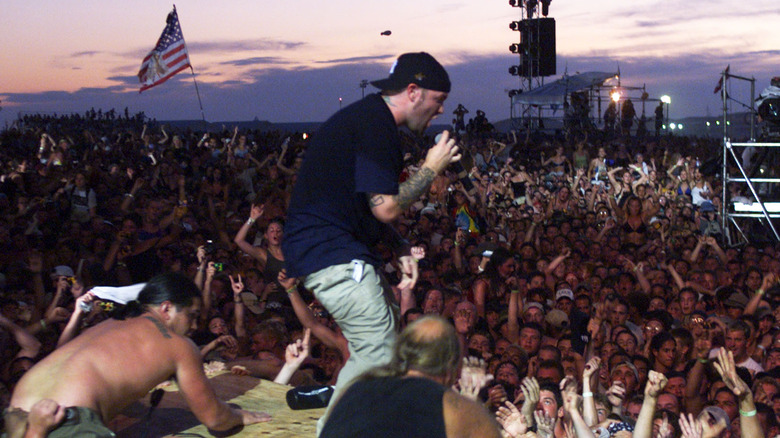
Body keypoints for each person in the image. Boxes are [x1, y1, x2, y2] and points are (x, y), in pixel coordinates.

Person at [282, 52, 461, 428]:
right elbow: (386, 208)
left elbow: (363, 205)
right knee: (378, 351)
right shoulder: (376, 125)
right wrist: (431, 168)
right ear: (413, 92)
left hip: (333, 250)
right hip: (331, 254)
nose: (440, 111)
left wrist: (397, 245)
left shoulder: (366, 120)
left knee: (387, 345)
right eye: (437, 100)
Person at [5, 273, 270, 437]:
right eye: (191, 316)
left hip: (15, 415)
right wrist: (239, 414)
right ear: (166, 308)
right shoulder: (177, 344)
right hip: (62, 422)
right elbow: (215, 418)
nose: (193, 326)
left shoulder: (107, 325)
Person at [320, 316, 501, 438]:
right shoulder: (456, 409)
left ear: (399, 354)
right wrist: (472, 402)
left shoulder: (356, 390)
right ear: (451, 367)